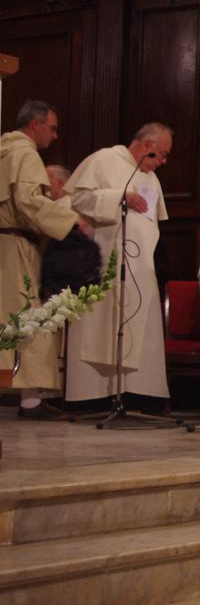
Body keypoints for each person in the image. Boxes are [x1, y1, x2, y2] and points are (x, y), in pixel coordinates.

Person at [64, 123, 173, 403]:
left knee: (140, 327)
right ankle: (95, 396)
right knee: (98, 325)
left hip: (141, 267)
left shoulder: (152, 179)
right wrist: (119, 197)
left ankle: (137, 394)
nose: (163, 162)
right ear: (147, 146)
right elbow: (76, 198)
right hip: (104, 262)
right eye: (161, 154)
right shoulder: (103, 160)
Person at [0, 100, 83, 417]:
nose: (55, 135)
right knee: (29, 318)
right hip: (15, 246)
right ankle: (31, 401)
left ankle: (29, 399)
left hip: (3, 243)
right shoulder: (24, 154)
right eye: (53, 128)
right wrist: (71, 220)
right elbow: (28, 201)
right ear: (35, 125)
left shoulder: (4, 149)